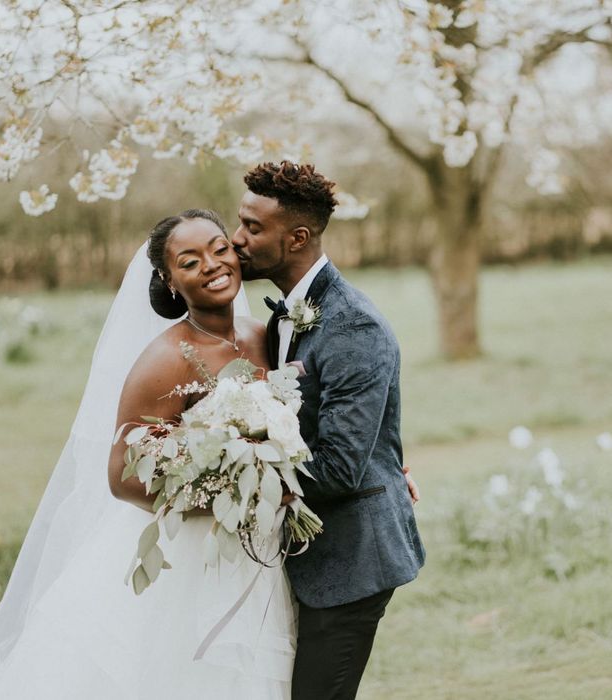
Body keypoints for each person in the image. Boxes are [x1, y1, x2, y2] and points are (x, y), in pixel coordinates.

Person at [0, 209, 296, 700]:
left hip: (253, 550)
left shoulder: (261, 334)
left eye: (219, 249)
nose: (212, 265)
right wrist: (225, 498)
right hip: (185, 554)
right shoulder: (166, 358)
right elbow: (121, 476)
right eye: (190, 260)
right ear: (170, 281)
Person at [232, 162, 426, 700]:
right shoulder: (287, 317)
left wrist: (227, 473)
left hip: (350, 562)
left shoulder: (352, 324)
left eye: (252, 227)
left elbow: (338, 469)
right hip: (303, 553)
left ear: (296, 238)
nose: (237, 239)